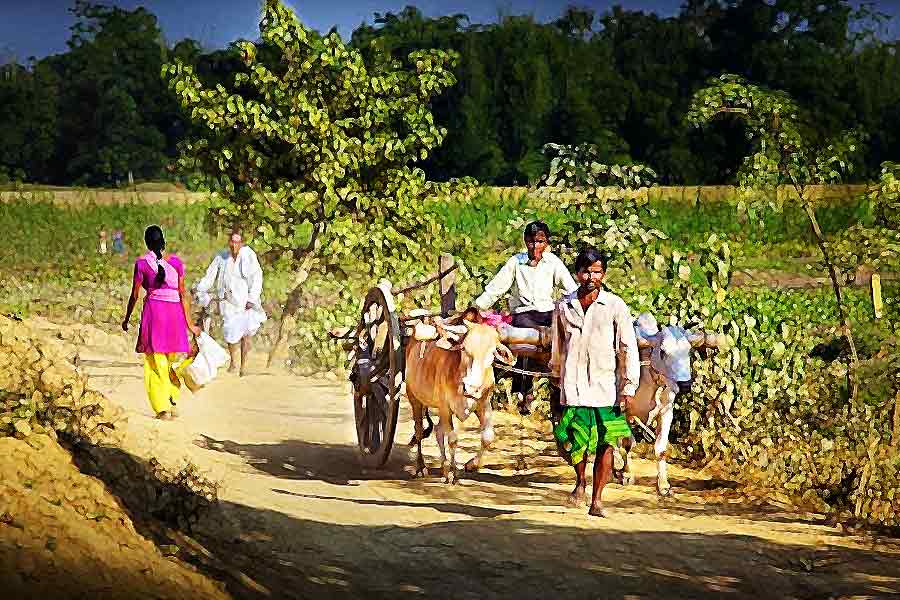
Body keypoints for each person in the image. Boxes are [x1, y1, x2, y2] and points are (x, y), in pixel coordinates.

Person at [548, 247, 640, 517]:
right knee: (575, 441)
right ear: (577, 274)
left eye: (597, 271)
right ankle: (580, 481)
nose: (591, 276)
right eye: (586, 271)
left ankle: (597, 499)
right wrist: (556, 374)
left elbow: (627, 347)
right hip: (574, 385)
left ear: (604, 274)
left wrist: (628, 385)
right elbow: (558, 345)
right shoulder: (564, 306)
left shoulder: (615, 306)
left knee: (606, 443)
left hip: (605, 387)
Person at [474, 221, 578, 414]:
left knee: (565, 334)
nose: (535, 247)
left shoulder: (553, 262)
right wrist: (477, 308)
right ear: (525, 241)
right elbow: (496, 288)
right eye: (531, 242)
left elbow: (572, 290)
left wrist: (581, 307)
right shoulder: (516, 262)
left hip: (547, 314)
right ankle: (525, 389)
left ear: (546, 243)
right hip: (523, 314)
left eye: (540, 242)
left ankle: (562, 383)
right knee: (524, 334)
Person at [122, 225, 201, 420]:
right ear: (163, 241)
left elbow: (134, 295)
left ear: (147, 242)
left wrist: (127, 318)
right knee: (170, 360)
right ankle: (173, 399)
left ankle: (163, 408)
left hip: (154, 314)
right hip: (174, 315)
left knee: (155, 363)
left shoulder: (141, 264)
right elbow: (182, 294)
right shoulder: (176, 263)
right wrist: (190, 324)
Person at [193, 231, 266, 376]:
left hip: (245, 301)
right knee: (230, 331)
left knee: (246, 333)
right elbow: (210, 275)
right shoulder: (222, 257)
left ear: (242, 244)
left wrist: (252, 298)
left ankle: (244, 365)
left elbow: (257, 277)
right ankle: (233, 361)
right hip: (228, 301)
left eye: (237, 242)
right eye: (232, 242)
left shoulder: (248, 256)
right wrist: (200, 289)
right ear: (229, 243)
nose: (234, 245)